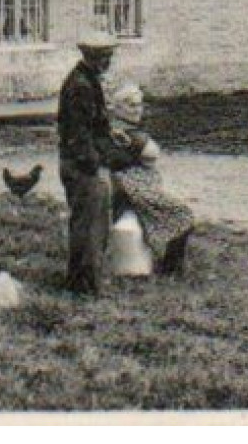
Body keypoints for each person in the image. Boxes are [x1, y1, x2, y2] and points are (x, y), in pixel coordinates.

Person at [56, 29, 139, 297]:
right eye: (106, 56)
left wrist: (107, 133)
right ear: (93, 57)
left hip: (80, 162)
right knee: (90, 227)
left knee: (87, 223)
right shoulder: (80, 86)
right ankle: (85, 285)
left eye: (110, 55)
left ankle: (79, 281)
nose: (109, 61)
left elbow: (93, 124)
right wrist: (96, 166)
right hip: (81, 166)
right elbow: (77, 136)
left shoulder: (87, 80)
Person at [107, 83, 196, 275]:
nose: (137, 109)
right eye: (131, 105)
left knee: (178, 212)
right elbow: (151, 153)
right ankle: (171, 269)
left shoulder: (119, 130)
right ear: (117, 108)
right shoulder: (124, 133)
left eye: (139, 104)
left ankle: (168, 263)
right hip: (133, 188)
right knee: (183, 214)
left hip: (130, 186)